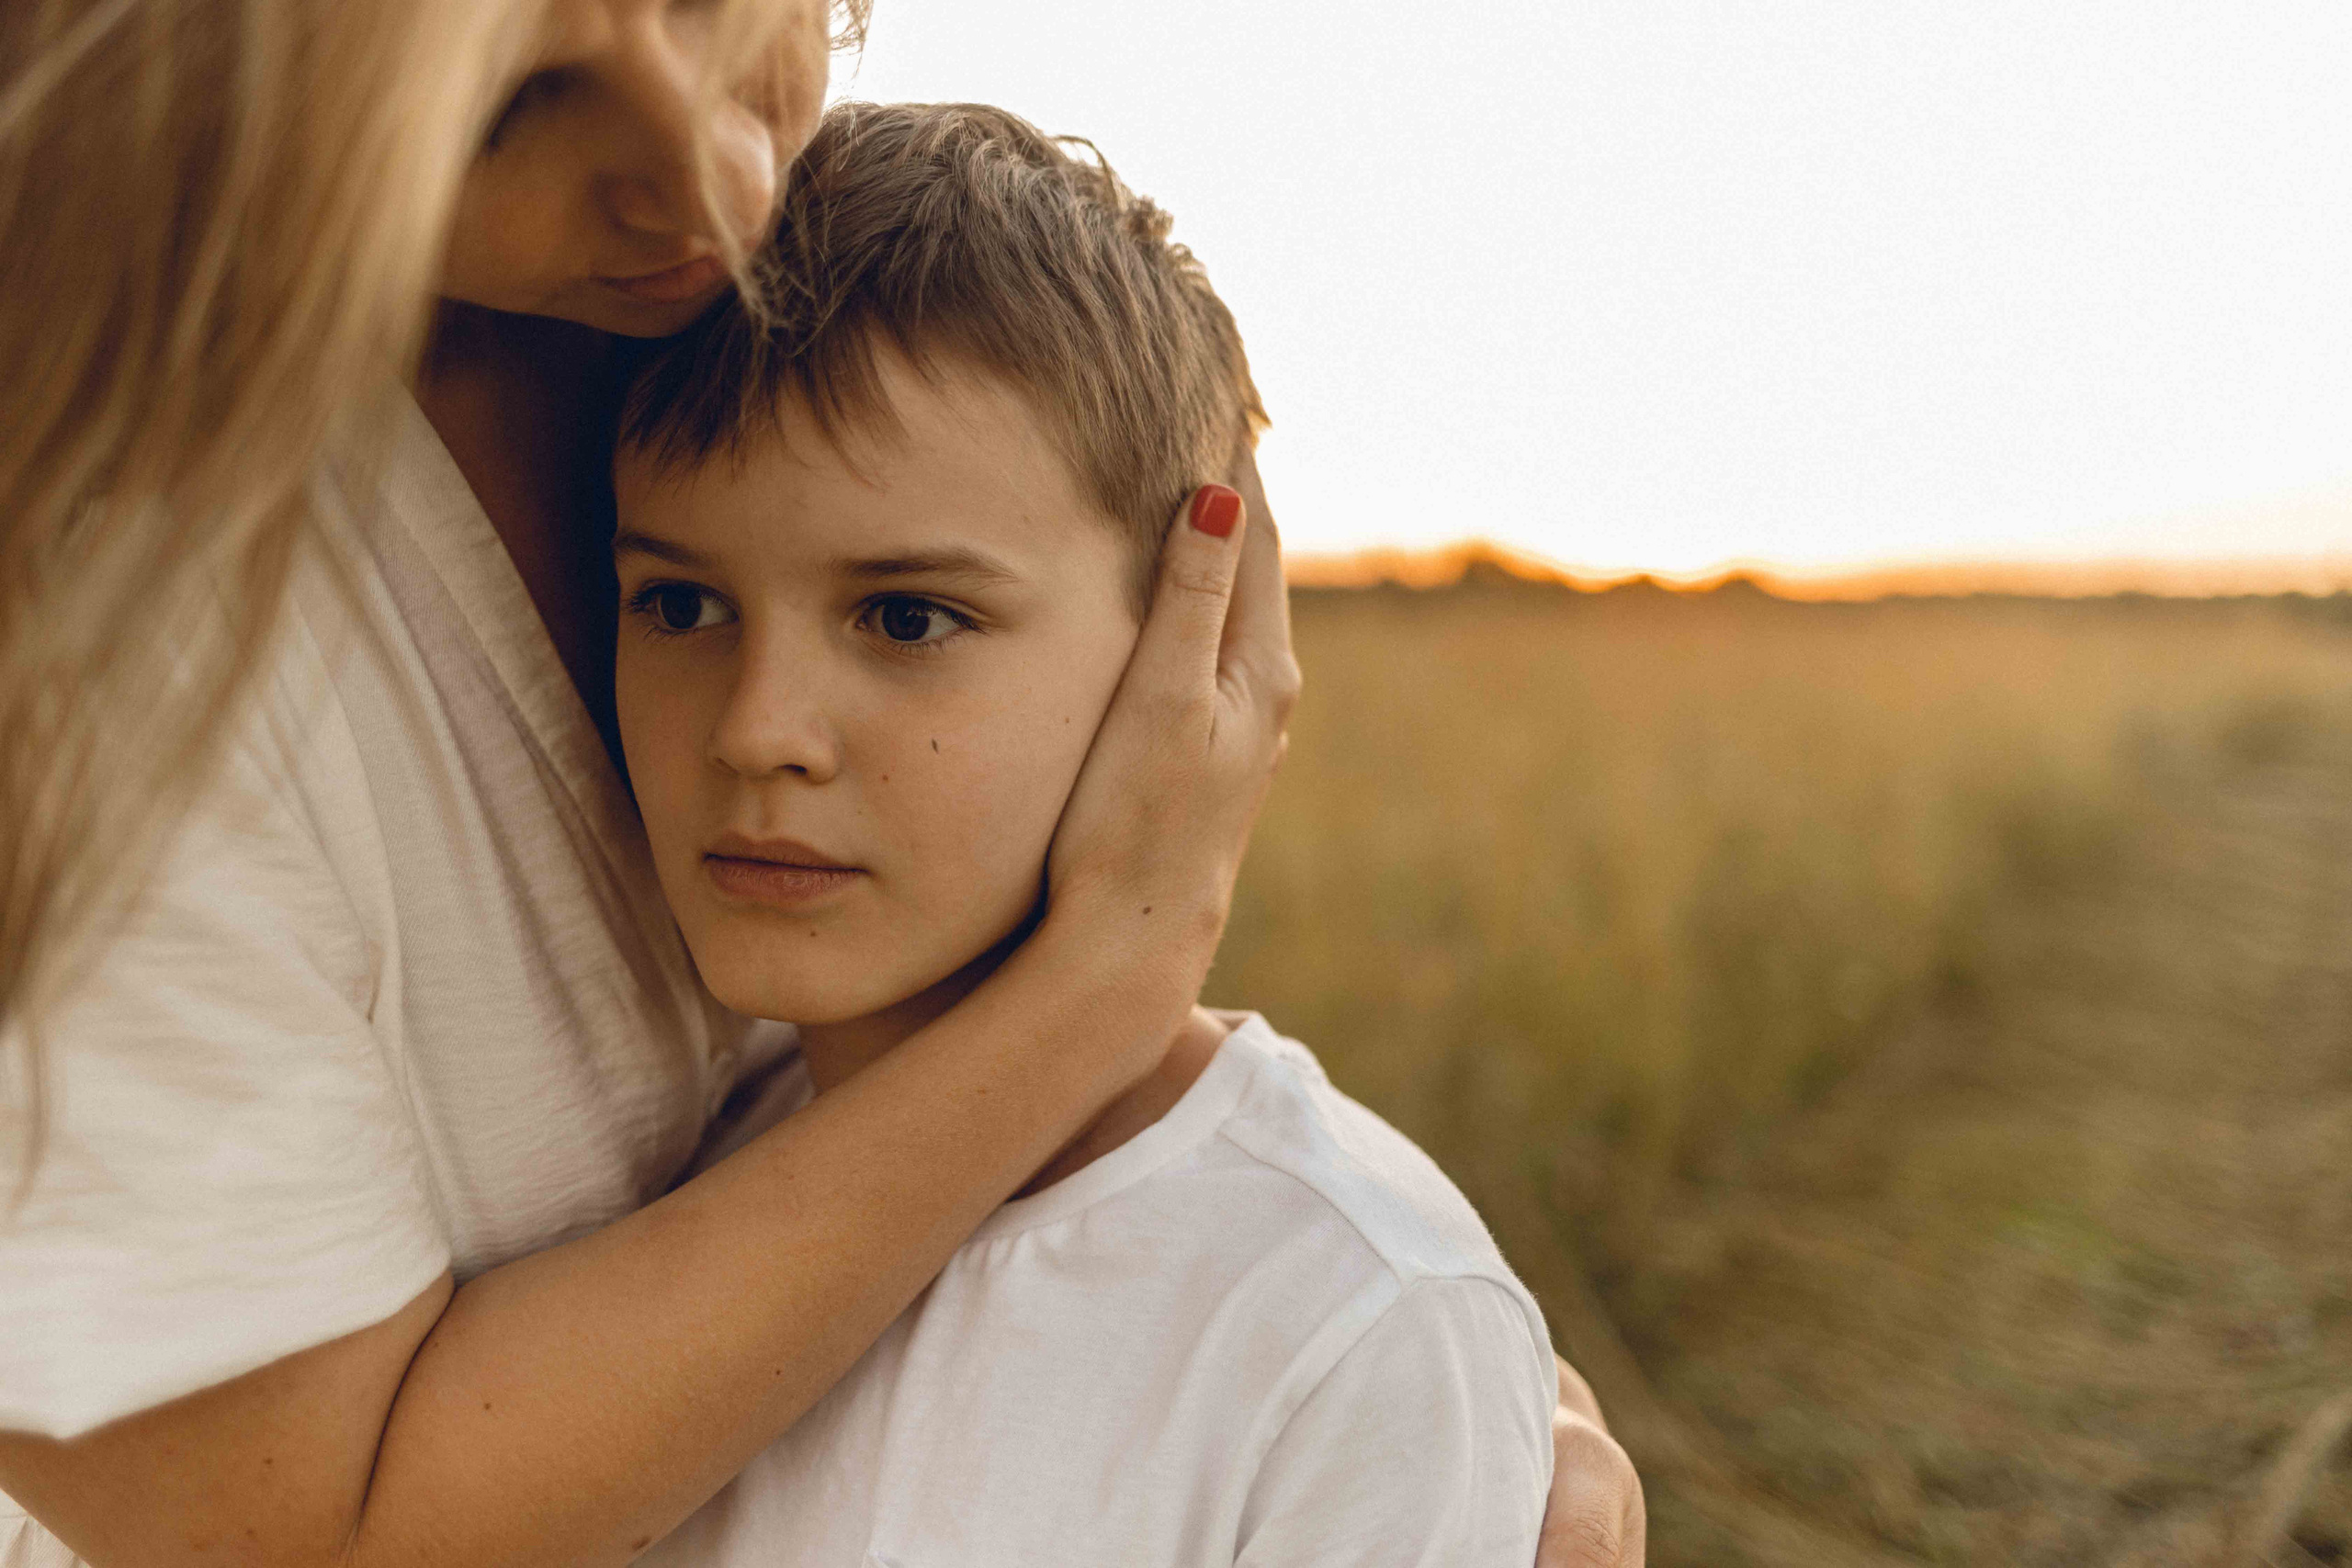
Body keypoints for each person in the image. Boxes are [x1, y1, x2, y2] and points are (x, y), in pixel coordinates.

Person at [0, 3, 1643, 1564]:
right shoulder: (89, 583)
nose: (715, 176)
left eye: (720, 11)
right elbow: (299, 1527)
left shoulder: (761, 299)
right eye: (512, 93)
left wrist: (1412, 1375)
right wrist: (1107, 974)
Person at [614, 98, 1557, 1563]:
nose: (756, 728)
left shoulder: (1348, 1318)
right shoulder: (644, 1158)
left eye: (909, 616)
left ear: (1190, 662)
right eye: (680, 602)